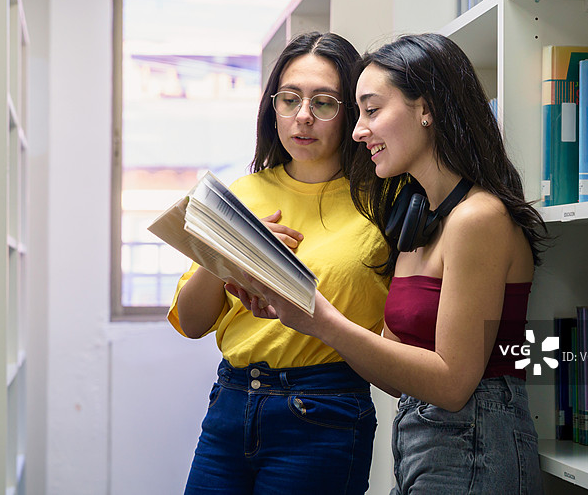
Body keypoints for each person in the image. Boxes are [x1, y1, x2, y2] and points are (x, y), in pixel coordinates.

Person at [231, 33, 548, 494]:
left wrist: (322, 321)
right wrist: (295, 316)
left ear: (427, 109)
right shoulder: (417, 218)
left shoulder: (479, 218)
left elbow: (453, 384)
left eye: (372, 110)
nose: (358, 131)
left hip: (477, 446)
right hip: (421, 444)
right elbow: (400, 374)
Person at [169, 31, 389, 495]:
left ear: (351, 111)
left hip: (325, 410)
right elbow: (191, 323)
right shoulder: (241, 195)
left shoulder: (383, 201)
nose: (303, 117)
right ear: (273, 107)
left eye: (324, 103)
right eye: (289, 100)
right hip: (230, 403)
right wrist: (232, 250)